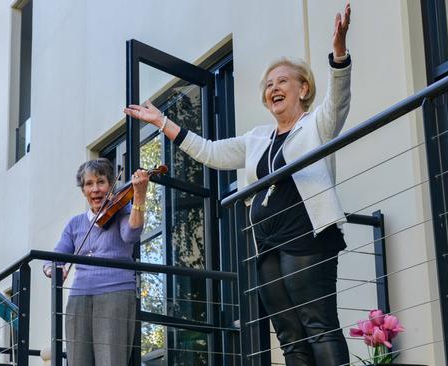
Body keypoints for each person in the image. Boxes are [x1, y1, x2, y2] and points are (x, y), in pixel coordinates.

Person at [124, 3, 352, 365]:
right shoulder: (257, 138)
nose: (273, 88)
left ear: (303, 89)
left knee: (318, 325)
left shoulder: (315, 126)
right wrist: (164, 122)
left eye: (283, 81)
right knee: (291, 339)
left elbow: (338, 104)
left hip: (306, 237)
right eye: (269, 84)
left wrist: (339, 55)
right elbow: (211, 152)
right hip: (266, 244)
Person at [43, 158, 149, 366]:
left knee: (111, 360)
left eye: (101, 182)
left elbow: (131, 235)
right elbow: (55, 256)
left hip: (115, 293)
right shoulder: (75, 224)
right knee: (77, 360)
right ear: (83, 190)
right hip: (79, 296)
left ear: (111, 185)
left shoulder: (122, 212)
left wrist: (139, 196)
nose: (95, 189)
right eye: (89, 184)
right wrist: (53, 269)